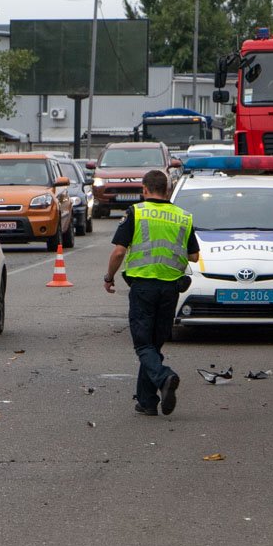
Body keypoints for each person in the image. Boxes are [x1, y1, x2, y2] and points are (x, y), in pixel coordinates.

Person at [103, 170, 199, 417]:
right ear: (167, 191)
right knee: (153, 345)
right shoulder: (183, 216)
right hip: (170, 287)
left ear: (145, 189)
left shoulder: (136, 212)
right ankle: (147, 401)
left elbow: (118, 252)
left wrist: (109, 277)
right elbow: (194, 256)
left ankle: (164, 376)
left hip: (144, 286)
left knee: (143, 344)